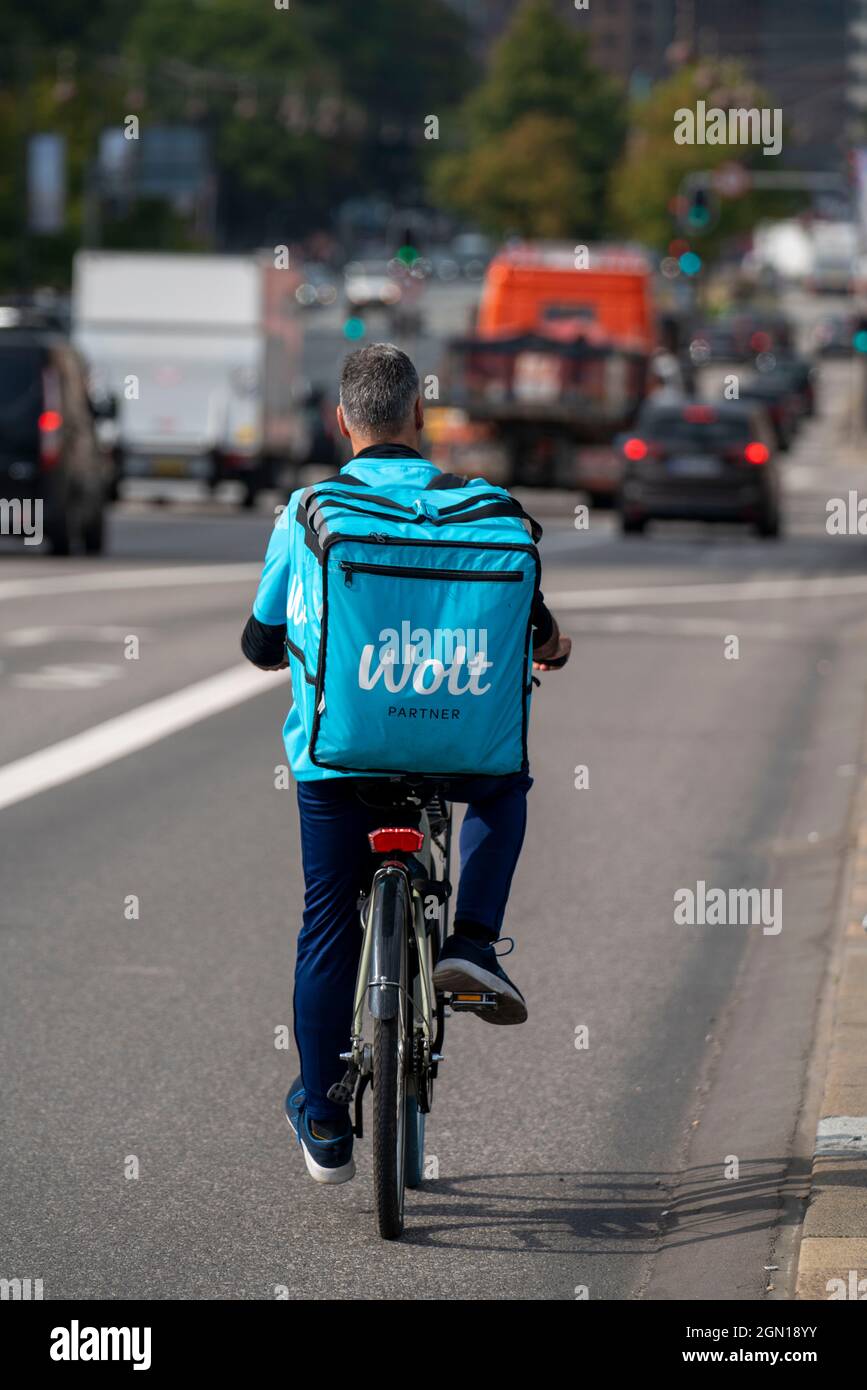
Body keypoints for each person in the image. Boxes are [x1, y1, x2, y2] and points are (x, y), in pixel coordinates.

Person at [241, 343, 570, 1184]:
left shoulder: (308, 507)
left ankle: (322, 1121)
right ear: (419, 419)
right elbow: (534, 629)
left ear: (342, 419)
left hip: (339, 760)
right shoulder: (487, 506)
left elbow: (257, 642)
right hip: (462, 756)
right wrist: (553, 646)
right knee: (504, 780)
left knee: (325, 925)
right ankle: (471, 943)